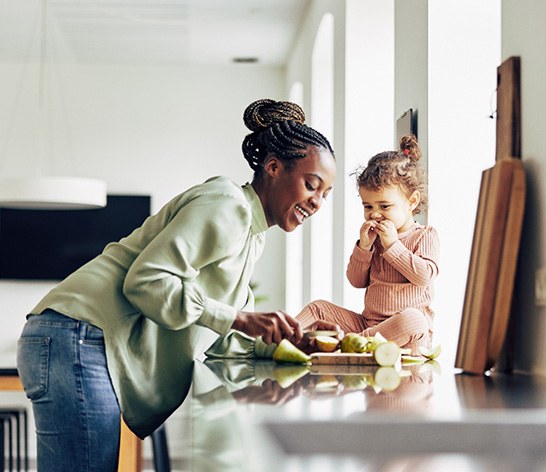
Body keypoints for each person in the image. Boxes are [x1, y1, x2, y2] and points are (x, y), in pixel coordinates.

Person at [16, 98, 338, 471]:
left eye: (325, 195)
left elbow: (223, 335)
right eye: (311, 185)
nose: (316, 203)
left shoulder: (252, 234)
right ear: (273, 167)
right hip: (77, 334)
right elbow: (147, 281)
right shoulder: (227, 204)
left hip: (76, 337)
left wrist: (294, 339)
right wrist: (238, 319)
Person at [296, 134, 439, 355]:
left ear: (411, 201)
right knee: (318, 308)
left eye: (384, 206)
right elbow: (356, 281)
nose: (375, 214)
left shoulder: (424, 235)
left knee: (415, 320)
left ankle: (349, 345)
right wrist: (363, 248)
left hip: (402, 334)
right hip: (368, 326)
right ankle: (282, 337)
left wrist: (393, 246)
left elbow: (424, 276)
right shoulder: (375, 241)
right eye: (368, 206)